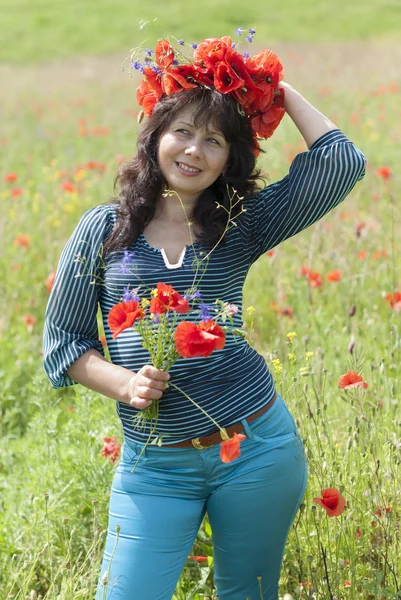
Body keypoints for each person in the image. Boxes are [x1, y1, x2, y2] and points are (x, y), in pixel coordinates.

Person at [43, 36, 366, 600]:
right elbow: (62, 343)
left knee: (249, 593)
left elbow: (342, 162)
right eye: (183, 132)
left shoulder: (242, 223)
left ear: (230, 158)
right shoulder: (103, 229)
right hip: (154, 466)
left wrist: (273, 93)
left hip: (256, 449)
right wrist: (125, 383)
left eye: (214, 140)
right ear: (155, 138)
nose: (194, 150)